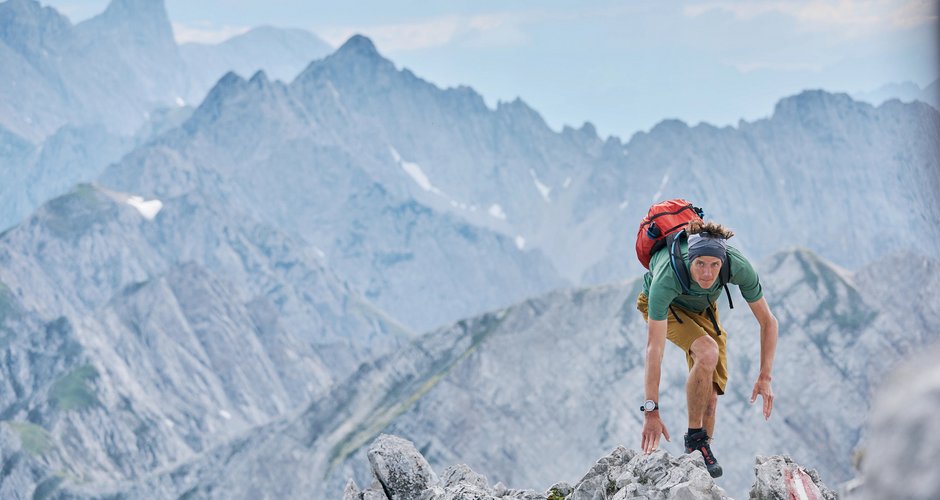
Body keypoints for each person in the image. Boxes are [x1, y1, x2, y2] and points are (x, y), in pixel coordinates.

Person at [636, 220, 778, 478]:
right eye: (700, 263)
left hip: (702, 307)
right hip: (665, 307)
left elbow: (768, 321)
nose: (707, 273)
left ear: (723, 262)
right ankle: (695, 438)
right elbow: (653, 351)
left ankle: (698, 461)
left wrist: (765, 376)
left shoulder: (739, 266)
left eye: (714, 265)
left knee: (710, 394)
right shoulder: (667, 278)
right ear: (690, 257)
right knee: (708, 351)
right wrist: (651, 411)